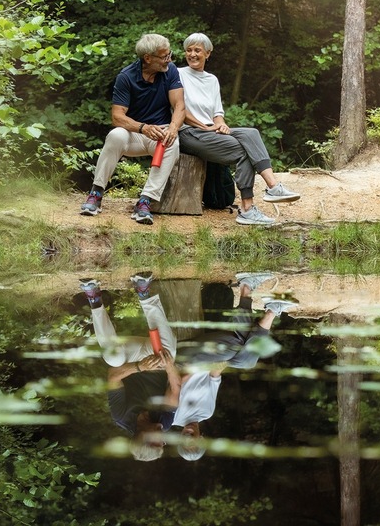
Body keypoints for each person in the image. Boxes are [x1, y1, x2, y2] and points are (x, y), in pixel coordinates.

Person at [170, 271, 299, 460]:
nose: (189, 434)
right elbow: (214, 377)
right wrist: (219, 365)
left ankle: (259, 299)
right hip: (209, 361)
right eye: (194, 438)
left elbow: (176, 381)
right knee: (247, 361)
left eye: (185, 439)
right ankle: (269, 307)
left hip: (187, 360)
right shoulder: (207, 412)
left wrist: (209, 365)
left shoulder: (172, 417)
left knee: (238, 345)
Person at [176, 33, 300, 226]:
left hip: (209, 130)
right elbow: (178, 110)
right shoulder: (177, 75)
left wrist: (221, 123)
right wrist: (206, 126)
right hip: (188, 133)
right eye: (189, 50)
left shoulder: (212, 80)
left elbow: (217, 112)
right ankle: (247, 208)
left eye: (197, 50)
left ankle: (273, 187)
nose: (192, 54)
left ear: (207, 54)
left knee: (251, 133)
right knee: (245, 151)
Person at [81, 33, 186, 226]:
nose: (169, 59)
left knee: (173, 143)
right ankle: (96, 193)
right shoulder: (126, 76)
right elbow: (117, 116)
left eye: (169, 54)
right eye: (164, 56)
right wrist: (142, 128)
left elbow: (179, 106)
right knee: (115, 135)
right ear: (148, 58)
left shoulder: (170, 71)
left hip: (161, 133)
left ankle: (145, 201)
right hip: (134, 133)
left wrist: (173, 128)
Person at [79, 272, 182, 461]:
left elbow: (113, 377)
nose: (164, 440)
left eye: (159, 442)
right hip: (156, 358)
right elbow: (175, 388)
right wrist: (169, 366)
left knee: (113, 360)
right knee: (170, 354)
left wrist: (139, 366)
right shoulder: (164, 423)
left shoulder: (121, 417)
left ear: (144, 437)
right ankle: (144, 292)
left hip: (131, 359)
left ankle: (94, 298)